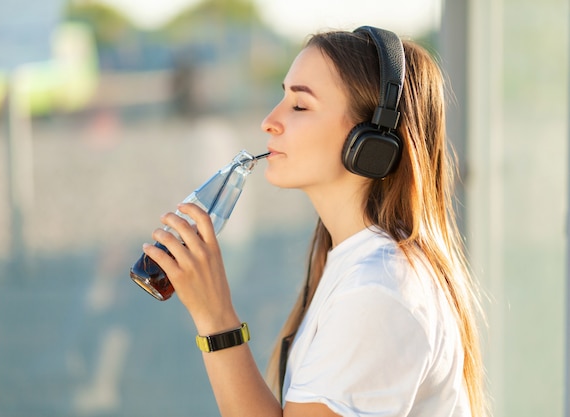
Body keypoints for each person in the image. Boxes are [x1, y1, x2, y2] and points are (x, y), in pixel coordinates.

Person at [142, 25, 487, 417]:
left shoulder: (377, 291)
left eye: (300, 106)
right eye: (282, 96)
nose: (269, 122)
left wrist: (216, 316)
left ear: (370, 144)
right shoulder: (351, 264)